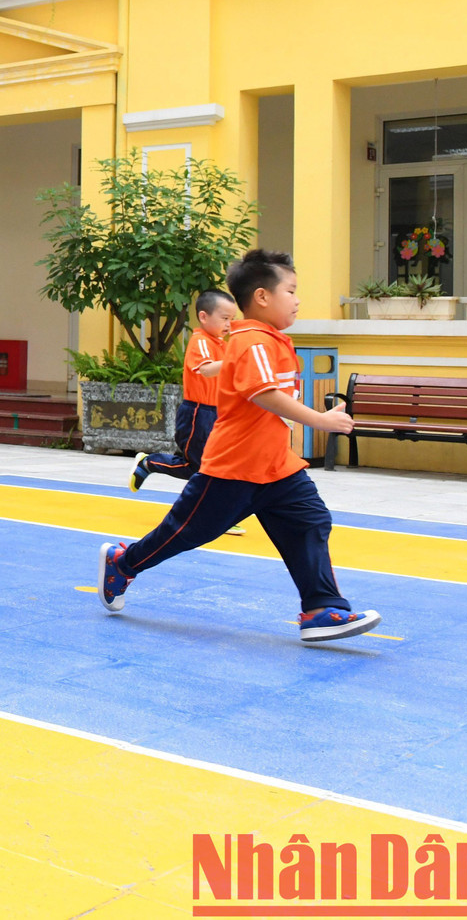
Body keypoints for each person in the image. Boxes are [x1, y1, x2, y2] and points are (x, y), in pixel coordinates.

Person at [97, 250, 381, 644]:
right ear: (262, 297)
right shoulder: (252, 340)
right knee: (184, 532)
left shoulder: (269, 340)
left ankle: (321, 609)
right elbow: (263, 393)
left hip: (277, 467)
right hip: (233, 468)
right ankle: (123, 563)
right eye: (291, 291)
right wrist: (321, 420)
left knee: (311, 522)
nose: (298, 300)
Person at [129, 289, 237, 491]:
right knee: (198, 467)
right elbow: (206, 369)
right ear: (203, 317)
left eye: (232, 319)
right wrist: (236, 360)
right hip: (198, 413)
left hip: (217, 413)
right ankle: (150, 463)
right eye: (225, 318)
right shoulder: (201, 341)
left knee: (217, 465)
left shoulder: (222, 345)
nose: (229, 324)